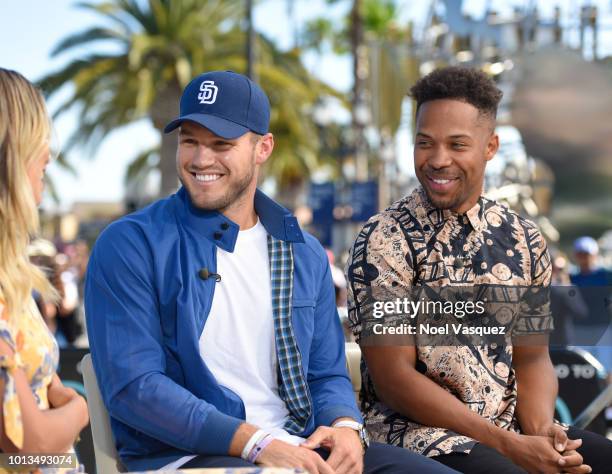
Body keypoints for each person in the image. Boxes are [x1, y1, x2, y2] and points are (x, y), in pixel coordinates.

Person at [84, 70, 455, 473]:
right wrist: (257, 443)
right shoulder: (131, 244)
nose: (200, 159)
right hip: (190, 458)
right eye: (189, 140)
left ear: (263, 148)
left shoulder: (303, 252)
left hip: (300, 448)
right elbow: (135, 388)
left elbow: (326, 373)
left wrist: (345, 427)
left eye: (221, 144)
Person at [346, 66, 612, 473]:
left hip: (511, 430)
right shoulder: (385, 239)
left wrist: (541, 431)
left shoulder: (525, 239)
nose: (438, 160)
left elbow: (532, 359)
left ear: (490, 147)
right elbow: (394, 380)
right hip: (417, 438)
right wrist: (509, 445)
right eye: (424, 143)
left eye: (457, 144)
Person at [0, 68, 89, 470]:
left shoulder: (11, 272)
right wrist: (81, 411)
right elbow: (25, 444)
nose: (48, 157)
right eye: (42, 162)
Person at [569, 236, 612, 372]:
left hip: (603, 330)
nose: (585, 258)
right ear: (576, 255)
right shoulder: (571, 277)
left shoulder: (606, 275)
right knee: (580, 369)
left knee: (606, 370)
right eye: (581, 254)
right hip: (579, 331)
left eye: (587, 254)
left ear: (594, 254)